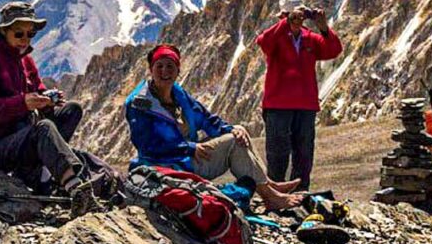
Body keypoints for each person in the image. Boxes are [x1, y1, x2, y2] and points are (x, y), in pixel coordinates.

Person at [125, 44, 303, 210]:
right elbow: (146, 145)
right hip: (166, 167)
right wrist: (189, 148)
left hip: (185, 157)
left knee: (238, 131)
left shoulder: (178, 94)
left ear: (178, 70)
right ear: (151, 70)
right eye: (160, 66)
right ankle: (270, 196)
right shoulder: (140, 103)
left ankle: (268, 184)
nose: (165, 71)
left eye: (170, 66)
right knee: (234, 141)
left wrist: (229, 129)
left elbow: (205, 118)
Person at [0, 1, 99, 218]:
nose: (25, 40)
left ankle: (41, 172)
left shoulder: (26, 61)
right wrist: (21, 103)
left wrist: (47, 101)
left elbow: (37, 90)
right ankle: (75, 187)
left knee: (71, 110)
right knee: (44, 129)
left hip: (20, 137)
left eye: (30, 34)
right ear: (3, 32)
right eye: (19, 34)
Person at [256, 0, 342, 190]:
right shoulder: (277, 36)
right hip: (278, 105)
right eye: (294, 15)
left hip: (305, 105)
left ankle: (301, 193)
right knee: (277, 153)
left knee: (304, 153)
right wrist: (286, 24)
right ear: (284, 16)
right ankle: (276, 194)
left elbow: (333, 50)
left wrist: (324, 28)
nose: (298, 20)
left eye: (301, 15)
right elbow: (263, 42)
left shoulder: (310, 39)